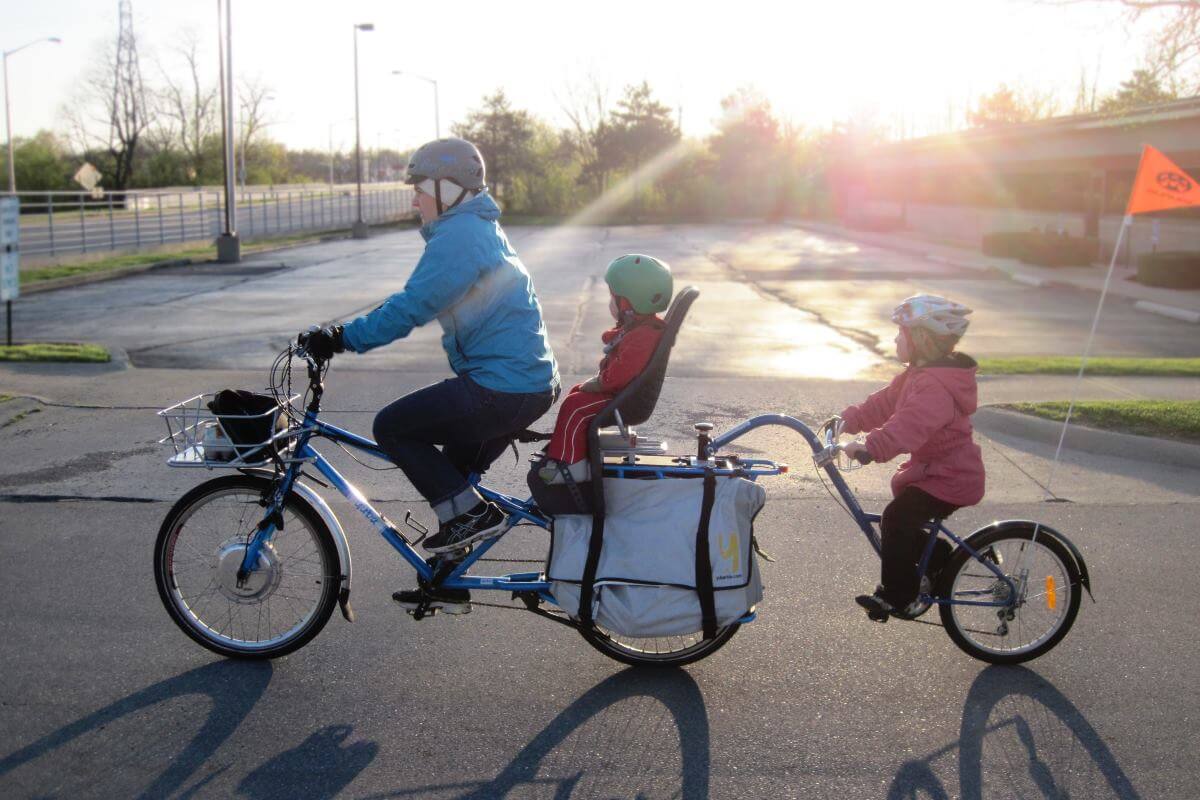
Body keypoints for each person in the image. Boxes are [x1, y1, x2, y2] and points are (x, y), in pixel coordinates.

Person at [299, 137, 559, 610]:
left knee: (393, 427)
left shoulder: (460, 236)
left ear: (449, 187)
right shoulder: (476, 226)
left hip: (502, 388)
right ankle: (450, 581)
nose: (414, 198)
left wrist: (339, 338)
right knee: (455, 483)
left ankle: (472, 520)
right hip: (522, 383)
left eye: (420, 188)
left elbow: (413, 306)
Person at [836, 294, 985, 620]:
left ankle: (898, 596)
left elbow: (908, 427)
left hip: (951, 478)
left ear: (920, 338)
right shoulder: (918, 375)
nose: (894, 338)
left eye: (900, 332)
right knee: (903, 520)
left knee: (896, 519)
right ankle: (939, 556)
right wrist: (849, 420)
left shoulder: (935, 387)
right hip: (935, 473)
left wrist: (871, 447)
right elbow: (885, 403)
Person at [537, 254, 672, 483]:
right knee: (578, 393)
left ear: (629, 303)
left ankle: (570, 465)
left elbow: (621, 373)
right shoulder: (643, 328)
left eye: (615, 298)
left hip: (626, 399)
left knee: (576, 407)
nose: (611, 303)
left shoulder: (643, 335)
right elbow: (621, 347)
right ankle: (570, 447)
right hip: (625, 393)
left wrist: (600, 382)